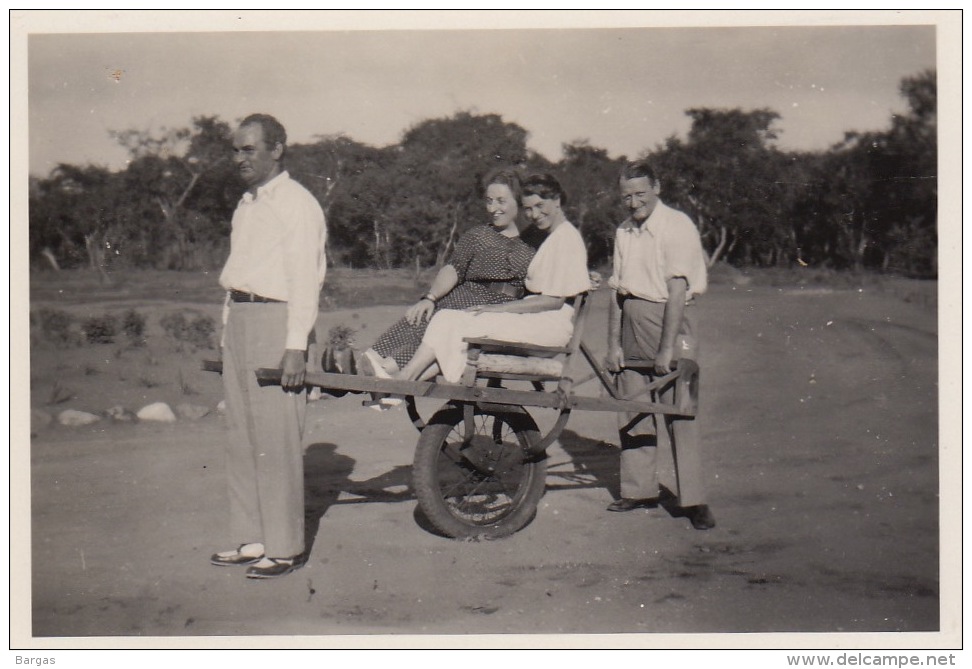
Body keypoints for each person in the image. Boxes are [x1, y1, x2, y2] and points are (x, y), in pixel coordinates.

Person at [210, 113, 328, 579]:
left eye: (249, 149)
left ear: (276, 149)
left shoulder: (298, 204)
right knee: (241, 438)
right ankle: (252, 537)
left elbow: (305, 279)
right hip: (241, 319)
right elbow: (239, 270)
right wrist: (226, 329)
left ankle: (284, 547)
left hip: (276, 321)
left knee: (276, 441)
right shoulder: (247, 203)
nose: (239, 158)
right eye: (235, 150)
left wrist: (295, 345)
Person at [397, 173, 590, 384]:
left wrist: (494, 309)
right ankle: (405, 382)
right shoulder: (552, 237)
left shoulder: (565, 238)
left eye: (539, 205)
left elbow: (553, 300)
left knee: (451, 321)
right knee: (446, 319)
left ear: (557, 200)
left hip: (548, 326)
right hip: (536, 320)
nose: (534, 214)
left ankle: (403, 379)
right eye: (528, 208)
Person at [605, 160, 715, 530]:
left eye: (640, 194)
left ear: (657, 188)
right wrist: (613, 345)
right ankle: (639, 491)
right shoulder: (623, 231)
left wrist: (667, 349)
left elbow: (678, 292)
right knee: (633, 409)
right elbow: (617, 292)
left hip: (671, 320)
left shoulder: (677, 225)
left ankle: (694, 500)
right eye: (626, 196)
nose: (633, 203)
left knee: (679, 412)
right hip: (632, 322)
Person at [358, 169, 540, 379]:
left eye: (501, 201)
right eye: (489, 201)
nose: (493, 208)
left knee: (435, 335)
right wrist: (430, 298)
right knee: (419, 319)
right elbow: (454, 268)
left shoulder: (534, 243)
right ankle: (372, 362)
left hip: (497, 310)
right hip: (462, 297)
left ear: (518, 200)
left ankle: (385, 372)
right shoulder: (478, 235)